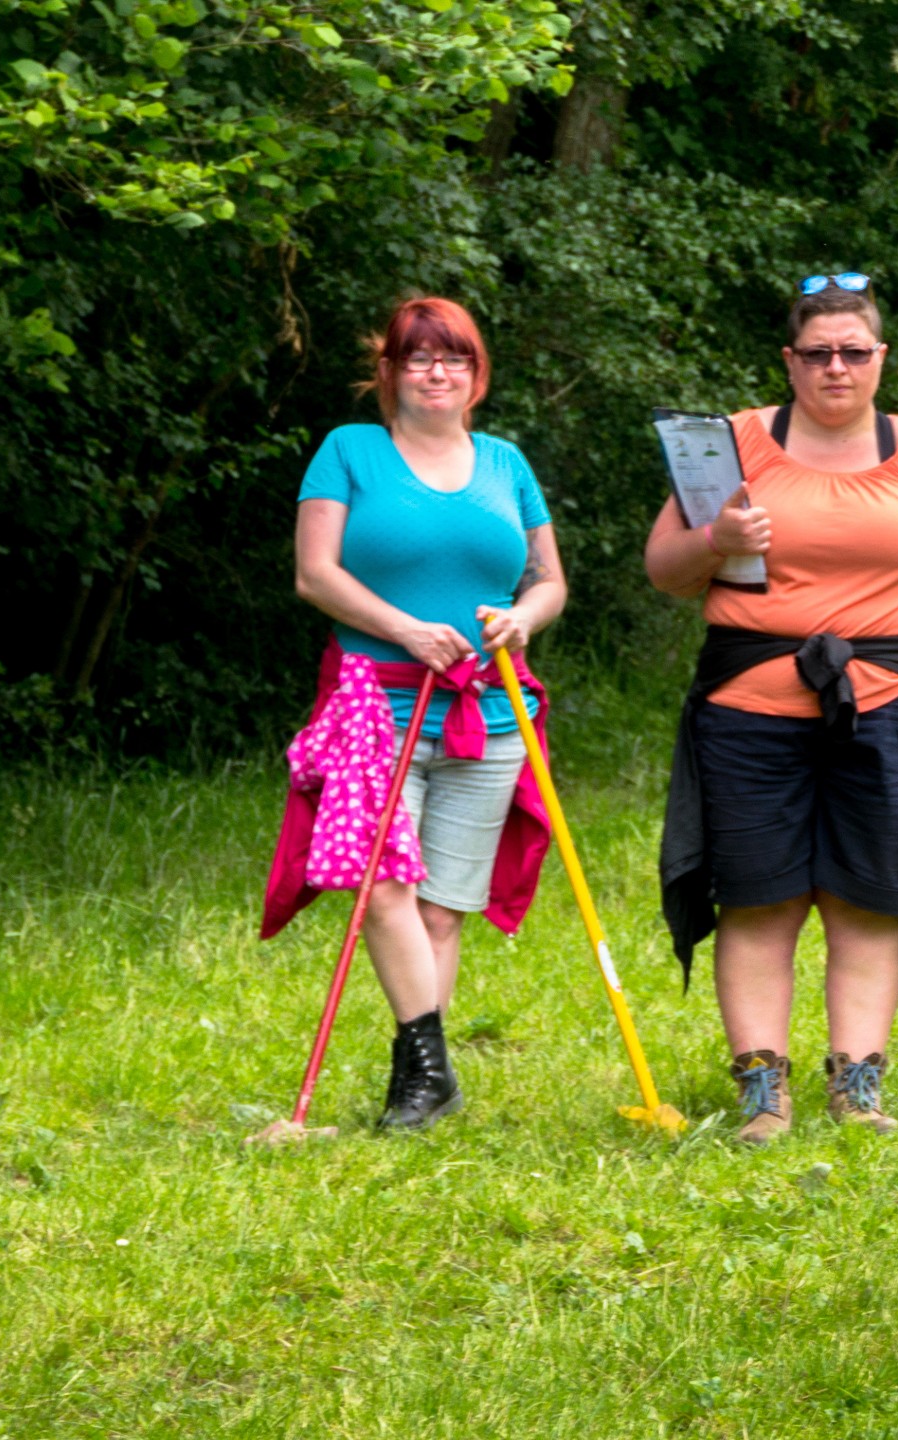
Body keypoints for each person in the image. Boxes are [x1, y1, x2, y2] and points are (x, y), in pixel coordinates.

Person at [647, 273, 898, 1144]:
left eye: (853, 351)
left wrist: (896, 627)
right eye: (816, 353)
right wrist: (716, 541)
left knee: (868, 899)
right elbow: (665, 570)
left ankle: (857, 1088)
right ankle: (761, 1092)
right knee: (758, 898)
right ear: (789, 360)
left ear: (879, 357)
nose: (835, 368)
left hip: (891, 709)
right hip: (747, 708)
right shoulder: (732, 446)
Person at [283, 295, 567, 1130]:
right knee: (381, 888)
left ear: (477, 375)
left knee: (442, 908)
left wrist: (524, 618)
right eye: (418, 357)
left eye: (454, 358)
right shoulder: (350, 452)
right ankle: (428, 1072)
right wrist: (403, 628)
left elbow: (548, 580)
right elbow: (314, 574)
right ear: (390, 372)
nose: (436, 372)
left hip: (490, 711)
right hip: (375, 705)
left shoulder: (505, 463)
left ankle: (421, 1088)